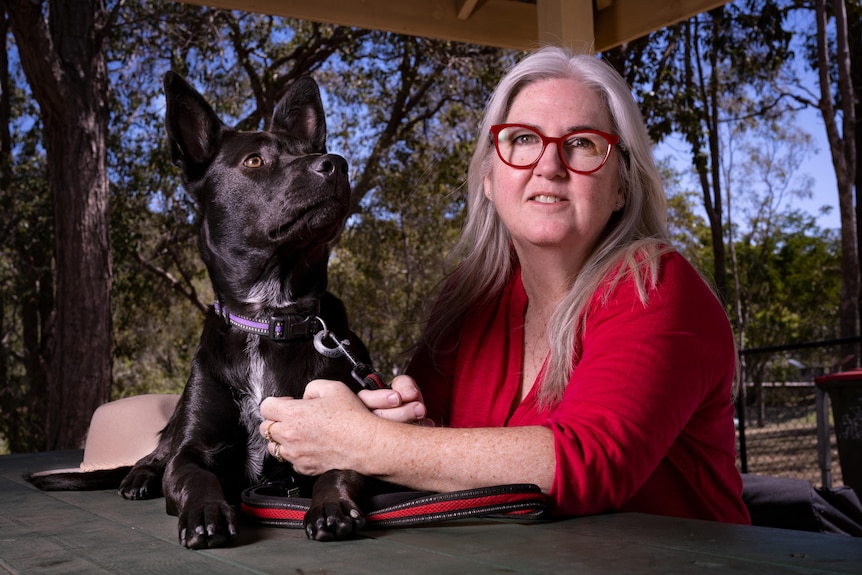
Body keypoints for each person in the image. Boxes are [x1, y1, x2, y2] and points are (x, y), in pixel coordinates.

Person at [260, 46, 751, 525]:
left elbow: (591, 465)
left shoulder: (656, 285)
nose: (549, 165)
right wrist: (384, 417)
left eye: (581, 142)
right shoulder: (471, 298)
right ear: (490, 177)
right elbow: (422, 443)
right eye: (522, 139)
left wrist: (363, 442)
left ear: (621, 184)